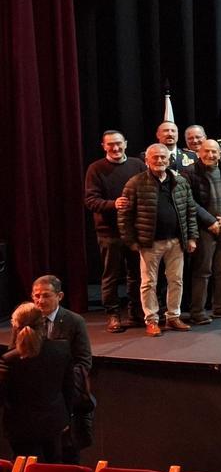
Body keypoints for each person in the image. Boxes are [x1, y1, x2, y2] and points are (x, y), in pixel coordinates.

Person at [119, 143, 198, 335]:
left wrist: (192, 237)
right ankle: (152, 320)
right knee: (149, 283)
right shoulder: (135, 183)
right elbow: (124, 216)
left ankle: (173, 317)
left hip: (176, 241)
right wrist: (131, 241)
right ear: (147, 160)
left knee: (176, 281)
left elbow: (190, 211)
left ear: (169, 159)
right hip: (150, 243)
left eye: (163, 157)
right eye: (155, 157)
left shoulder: (180, 182)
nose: (160, 160)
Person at [84, 130, 146, 332]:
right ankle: (113, 315)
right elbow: (90, 200)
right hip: (109, 232)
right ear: (103, 146)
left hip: (135, 231)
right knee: (111, 275)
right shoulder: (95, 168)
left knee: (136, 274)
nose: (116, 148)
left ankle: (136, 313)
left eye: (119, 143)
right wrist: (113, 204)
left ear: (126, 143)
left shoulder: (138, 165)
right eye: (110, 144)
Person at [30, 276, 92, 463]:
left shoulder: (74, 322)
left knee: (66, 459)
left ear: (60, 296)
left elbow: (83, 362)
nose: (40, 301)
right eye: (36, 296)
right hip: (35, 404)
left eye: (46, 295)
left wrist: (58, 383)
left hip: (64, 401)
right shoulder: (28, 320)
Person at [1, 303, 74, 462]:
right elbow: (69, 389)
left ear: (15, 326)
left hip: (20, 427)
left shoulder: (8, 359)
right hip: (54, 422)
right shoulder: (62, 349)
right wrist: (67, 419)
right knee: (52, 471)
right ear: (43, 323)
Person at [183, 139, 221, 324]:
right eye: (206, 151)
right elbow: (189, 200)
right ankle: (198, 312)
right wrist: (210, 221)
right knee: (202, 271)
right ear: (199, 152)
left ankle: (220, 307)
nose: (210, 155)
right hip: (203, 229)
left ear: (220, 153)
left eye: (214, 152)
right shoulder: (190, 172)